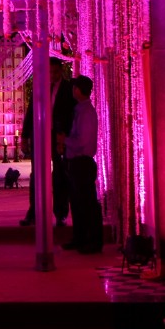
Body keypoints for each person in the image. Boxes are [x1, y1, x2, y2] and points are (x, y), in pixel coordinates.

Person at [19, 58, 76, 227]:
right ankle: (34, 212)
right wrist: (24, 136)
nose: (52, 75)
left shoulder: (68, 89)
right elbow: (30, 112)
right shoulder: (39, 87)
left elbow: (71, 115)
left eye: (56, 71)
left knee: (60, 174)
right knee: (36, 175)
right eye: (50, 71)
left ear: (61, 71)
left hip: (59, 136)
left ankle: (61, 214)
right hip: (40, 135)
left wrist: (65, 136)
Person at [63, 75, 103, 253]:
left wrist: (65, 140)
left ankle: (92, 240)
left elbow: (82, 141)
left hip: (83, 162)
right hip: (76, 161)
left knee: (87, 203)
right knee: (78, 202)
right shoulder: (79, 110)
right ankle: (80, 238)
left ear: (78, 90)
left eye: (74, 88)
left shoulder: (86, 112)